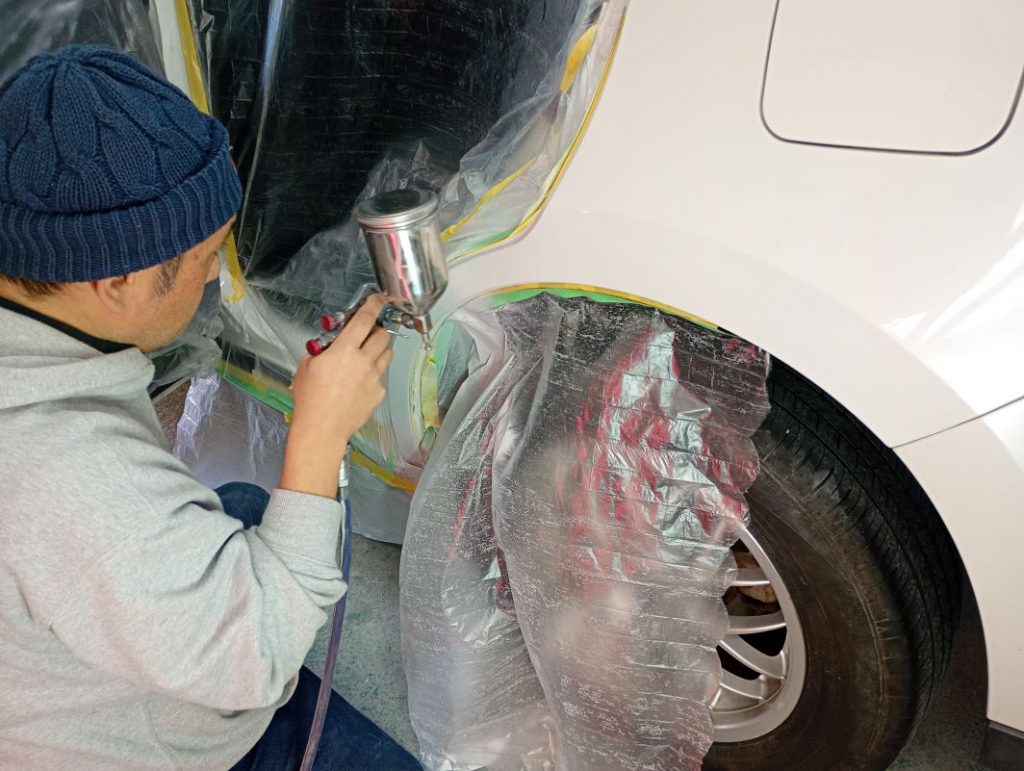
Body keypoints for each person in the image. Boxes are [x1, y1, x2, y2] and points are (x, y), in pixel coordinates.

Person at [0, 46, 420, 770]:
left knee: (250, 505)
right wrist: (319, 437)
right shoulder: (74, 483)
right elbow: (257, 657)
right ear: (117, 283)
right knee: (281, 558)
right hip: (147, 744)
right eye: (206, 258)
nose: (214, 280)